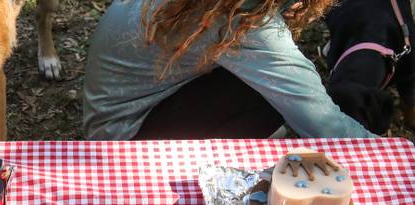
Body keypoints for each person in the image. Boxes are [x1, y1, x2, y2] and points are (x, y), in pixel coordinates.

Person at [83, 0, 377, 140]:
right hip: (123, 143)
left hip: (112, 114)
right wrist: (400, 158)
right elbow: (324, 124)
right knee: (272, 96)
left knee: (273, 84)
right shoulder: (244, 21)